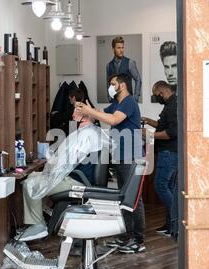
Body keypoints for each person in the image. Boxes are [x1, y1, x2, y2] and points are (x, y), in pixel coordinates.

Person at [76, 73, 146, 254]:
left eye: (112, 84)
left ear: (121, 85)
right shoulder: (117, 104)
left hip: (132, 157)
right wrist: (86, 108)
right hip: (122, 157)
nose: (111, 86)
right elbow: (102, 114)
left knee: (134, 200)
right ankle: (126, 237)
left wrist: (89, 111)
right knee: (124, 198)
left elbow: (113, 120)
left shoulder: (129, 102)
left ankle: (138, 241)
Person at [17, 107, 104, 242]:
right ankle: (39, 217)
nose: (73, 113)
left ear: (85, 116)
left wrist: (53, 166)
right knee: (32, 177)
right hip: (76, 176)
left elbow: (70, 161)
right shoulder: (88, 131)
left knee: (30, 184)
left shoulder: (87, 134)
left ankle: (38, 225)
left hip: (77, 180)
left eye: (77, 111)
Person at [142, 81, 178, 239]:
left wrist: (148, 135)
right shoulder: (170, 105)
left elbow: (170, 133)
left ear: (161, 93)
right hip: (168, 152)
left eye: (156, 95)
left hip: (169, 152)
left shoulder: (173, 106)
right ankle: (170, 224)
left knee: (161, 185)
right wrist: (148, 121)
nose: (156, 98)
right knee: (168, 187)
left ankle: (176, 220)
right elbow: (162, 125)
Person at [106, 37, 142, 102]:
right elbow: (108, 82)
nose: (121, 50)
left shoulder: (130, 62)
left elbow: (138, 79)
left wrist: (136, 97)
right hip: (114, 101)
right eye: (119, 48)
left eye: (122, 47)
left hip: (127, 100)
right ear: (113, 49)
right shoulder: (109, 65)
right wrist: (109, 97)